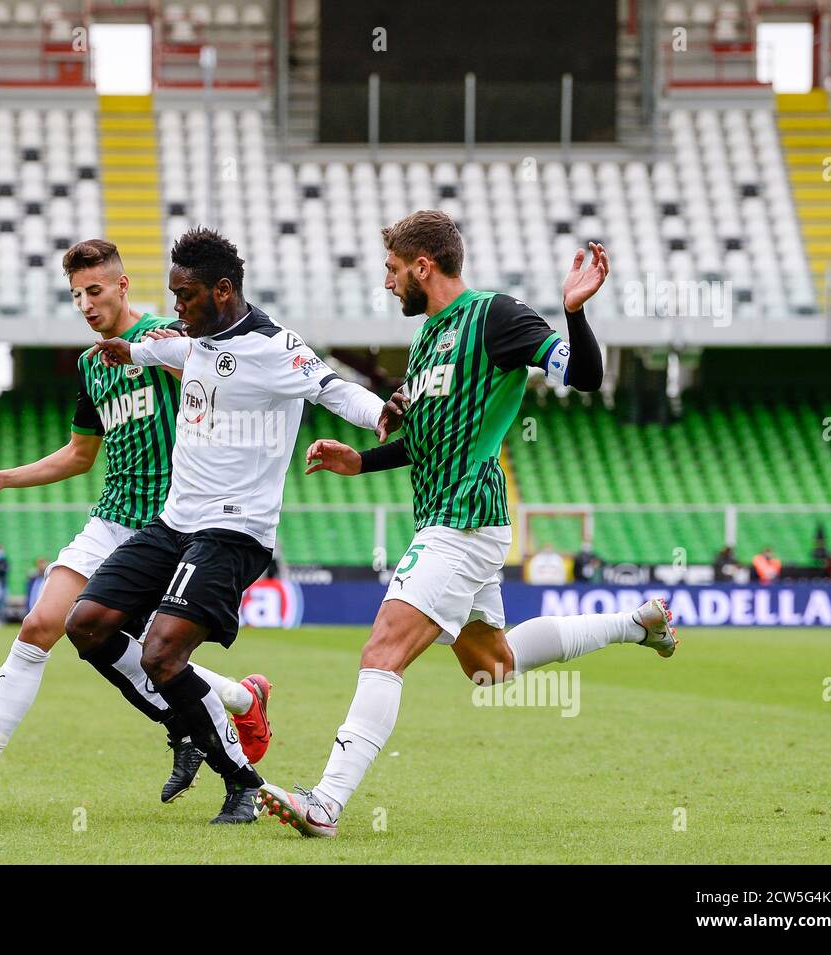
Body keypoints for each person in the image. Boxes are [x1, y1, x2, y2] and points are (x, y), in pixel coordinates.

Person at [258, 213, 677, 838]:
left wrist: (574, 311)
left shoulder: (497, 317)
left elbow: (584, 376)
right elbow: (426, 439)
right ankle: (635, 623)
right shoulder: (428, 340)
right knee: (492, 668)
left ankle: (325, 803)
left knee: (383, 649)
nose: (388, 283)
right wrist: (361, 460)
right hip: (447, 518)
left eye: (393, 271)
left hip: (464, 518)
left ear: (422, 267)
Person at [67, 227, 404, 824]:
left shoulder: (276, 349)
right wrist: (129, 350)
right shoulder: (194, 337)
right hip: (175, 522)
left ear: (223, 291)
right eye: (173, 295)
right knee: (87, 624)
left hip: (234, 532)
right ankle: (189, 724)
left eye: (186, 296)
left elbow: (331, 388)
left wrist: (381, 412)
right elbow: (171, 349)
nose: (176, 307)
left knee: (162, 653)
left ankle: (243, 784)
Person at [0, 238, 272, 813]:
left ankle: (231, 713)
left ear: (122, 286)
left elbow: (223, 394)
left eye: (94, 290)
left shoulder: (167, 341)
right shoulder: (92, 366)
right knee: (42, 625)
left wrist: (181, 358)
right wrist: (4, 477)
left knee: (154, 653)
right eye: (76, 295)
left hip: (176, 524)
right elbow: (78, 454)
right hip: (112, 519)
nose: (86, 304)